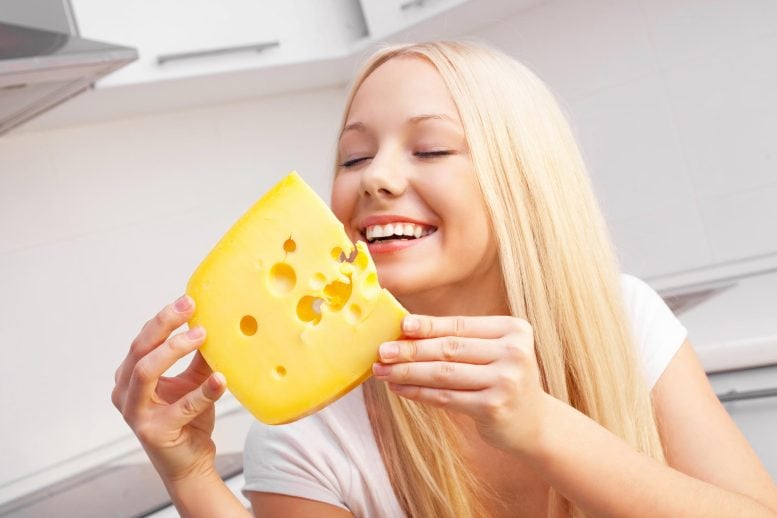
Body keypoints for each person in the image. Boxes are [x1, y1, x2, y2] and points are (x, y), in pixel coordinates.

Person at [111, 41, 777, 517]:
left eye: (429, 148)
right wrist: (191, 472)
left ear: (522, 182)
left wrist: (541, 426)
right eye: (354, 155)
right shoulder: (305, 433)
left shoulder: (624, 321)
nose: (376, 176)